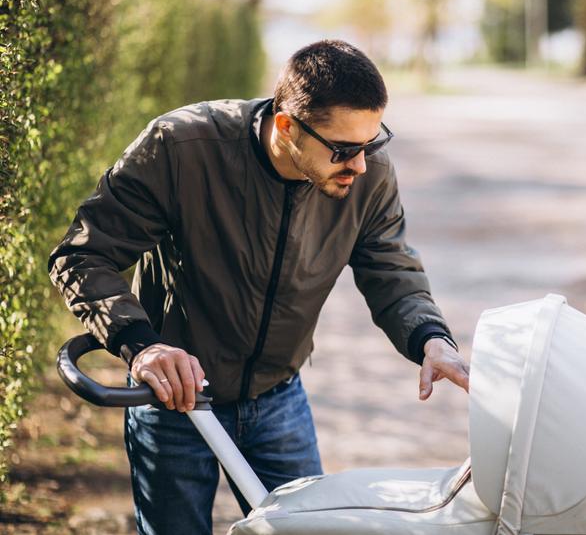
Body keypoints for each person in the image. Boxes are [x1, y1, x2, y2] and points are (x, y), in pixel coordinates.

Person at [47, 39, 469, 535]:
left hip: (279, 397)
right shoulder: (181, 148)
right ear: (288, 126)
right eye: (344, 149)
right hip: (175, 402)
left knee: (308, 529)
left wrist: (430, 339)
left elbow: (390, 268)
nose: (359, 164)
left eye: (372, 142)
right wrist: (142, 347)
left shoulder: (367, 175)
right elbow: (83, 254)